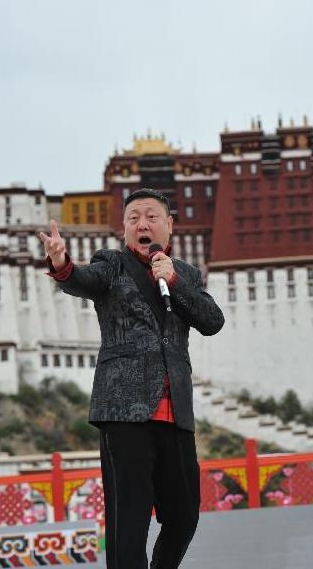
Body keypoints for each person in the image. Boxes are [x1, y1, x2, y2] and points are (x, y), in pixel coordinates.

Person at [38, 188, 224, 569]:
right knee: (129, 520)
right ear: (124, 228)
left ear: (169, 226)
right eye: (134, 217)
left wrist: (174, 280)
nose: (142, 224)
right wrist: (61, 263)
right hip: (123, 408)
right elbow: (83, 280)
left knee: (185, 514)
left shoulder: (184, 273)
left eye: (151, 216)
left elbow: (212, 320)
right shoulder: (112, 264)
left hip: (175, 411)